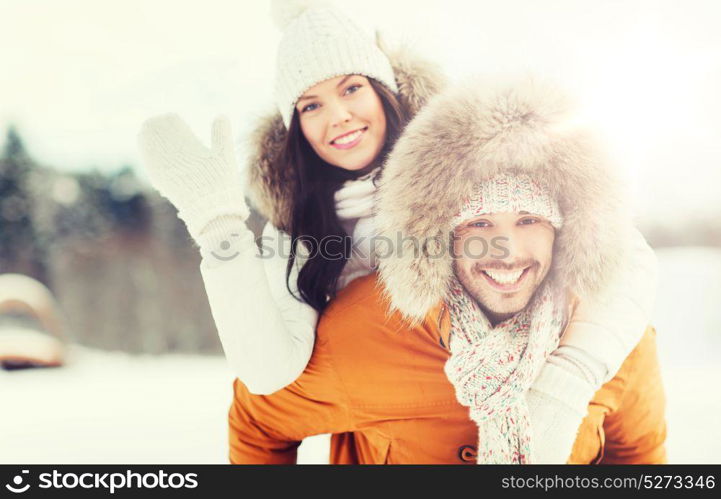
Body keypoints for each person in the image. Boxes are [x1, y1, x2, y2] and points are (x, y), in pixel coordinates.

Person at [138, 1, 657, 459]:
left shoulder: (469, 160)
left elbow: (621, 254)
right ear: (295, 125)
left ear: (384, 89)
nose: (338, 117)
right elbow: (267, 375)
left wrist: (567, 379)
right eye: (311, 105)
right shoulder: (299, 230)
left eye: (351, 88)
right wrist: (218, 226)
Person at [227, 78, 666, 464]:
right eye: (479, 224)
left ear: (563, 231)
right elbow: (257, 422)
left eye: (529, 220)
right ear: (443, 236)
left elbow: (638, 456)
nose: (507, 251)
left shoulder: (613, 333)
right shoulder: (370, 326)